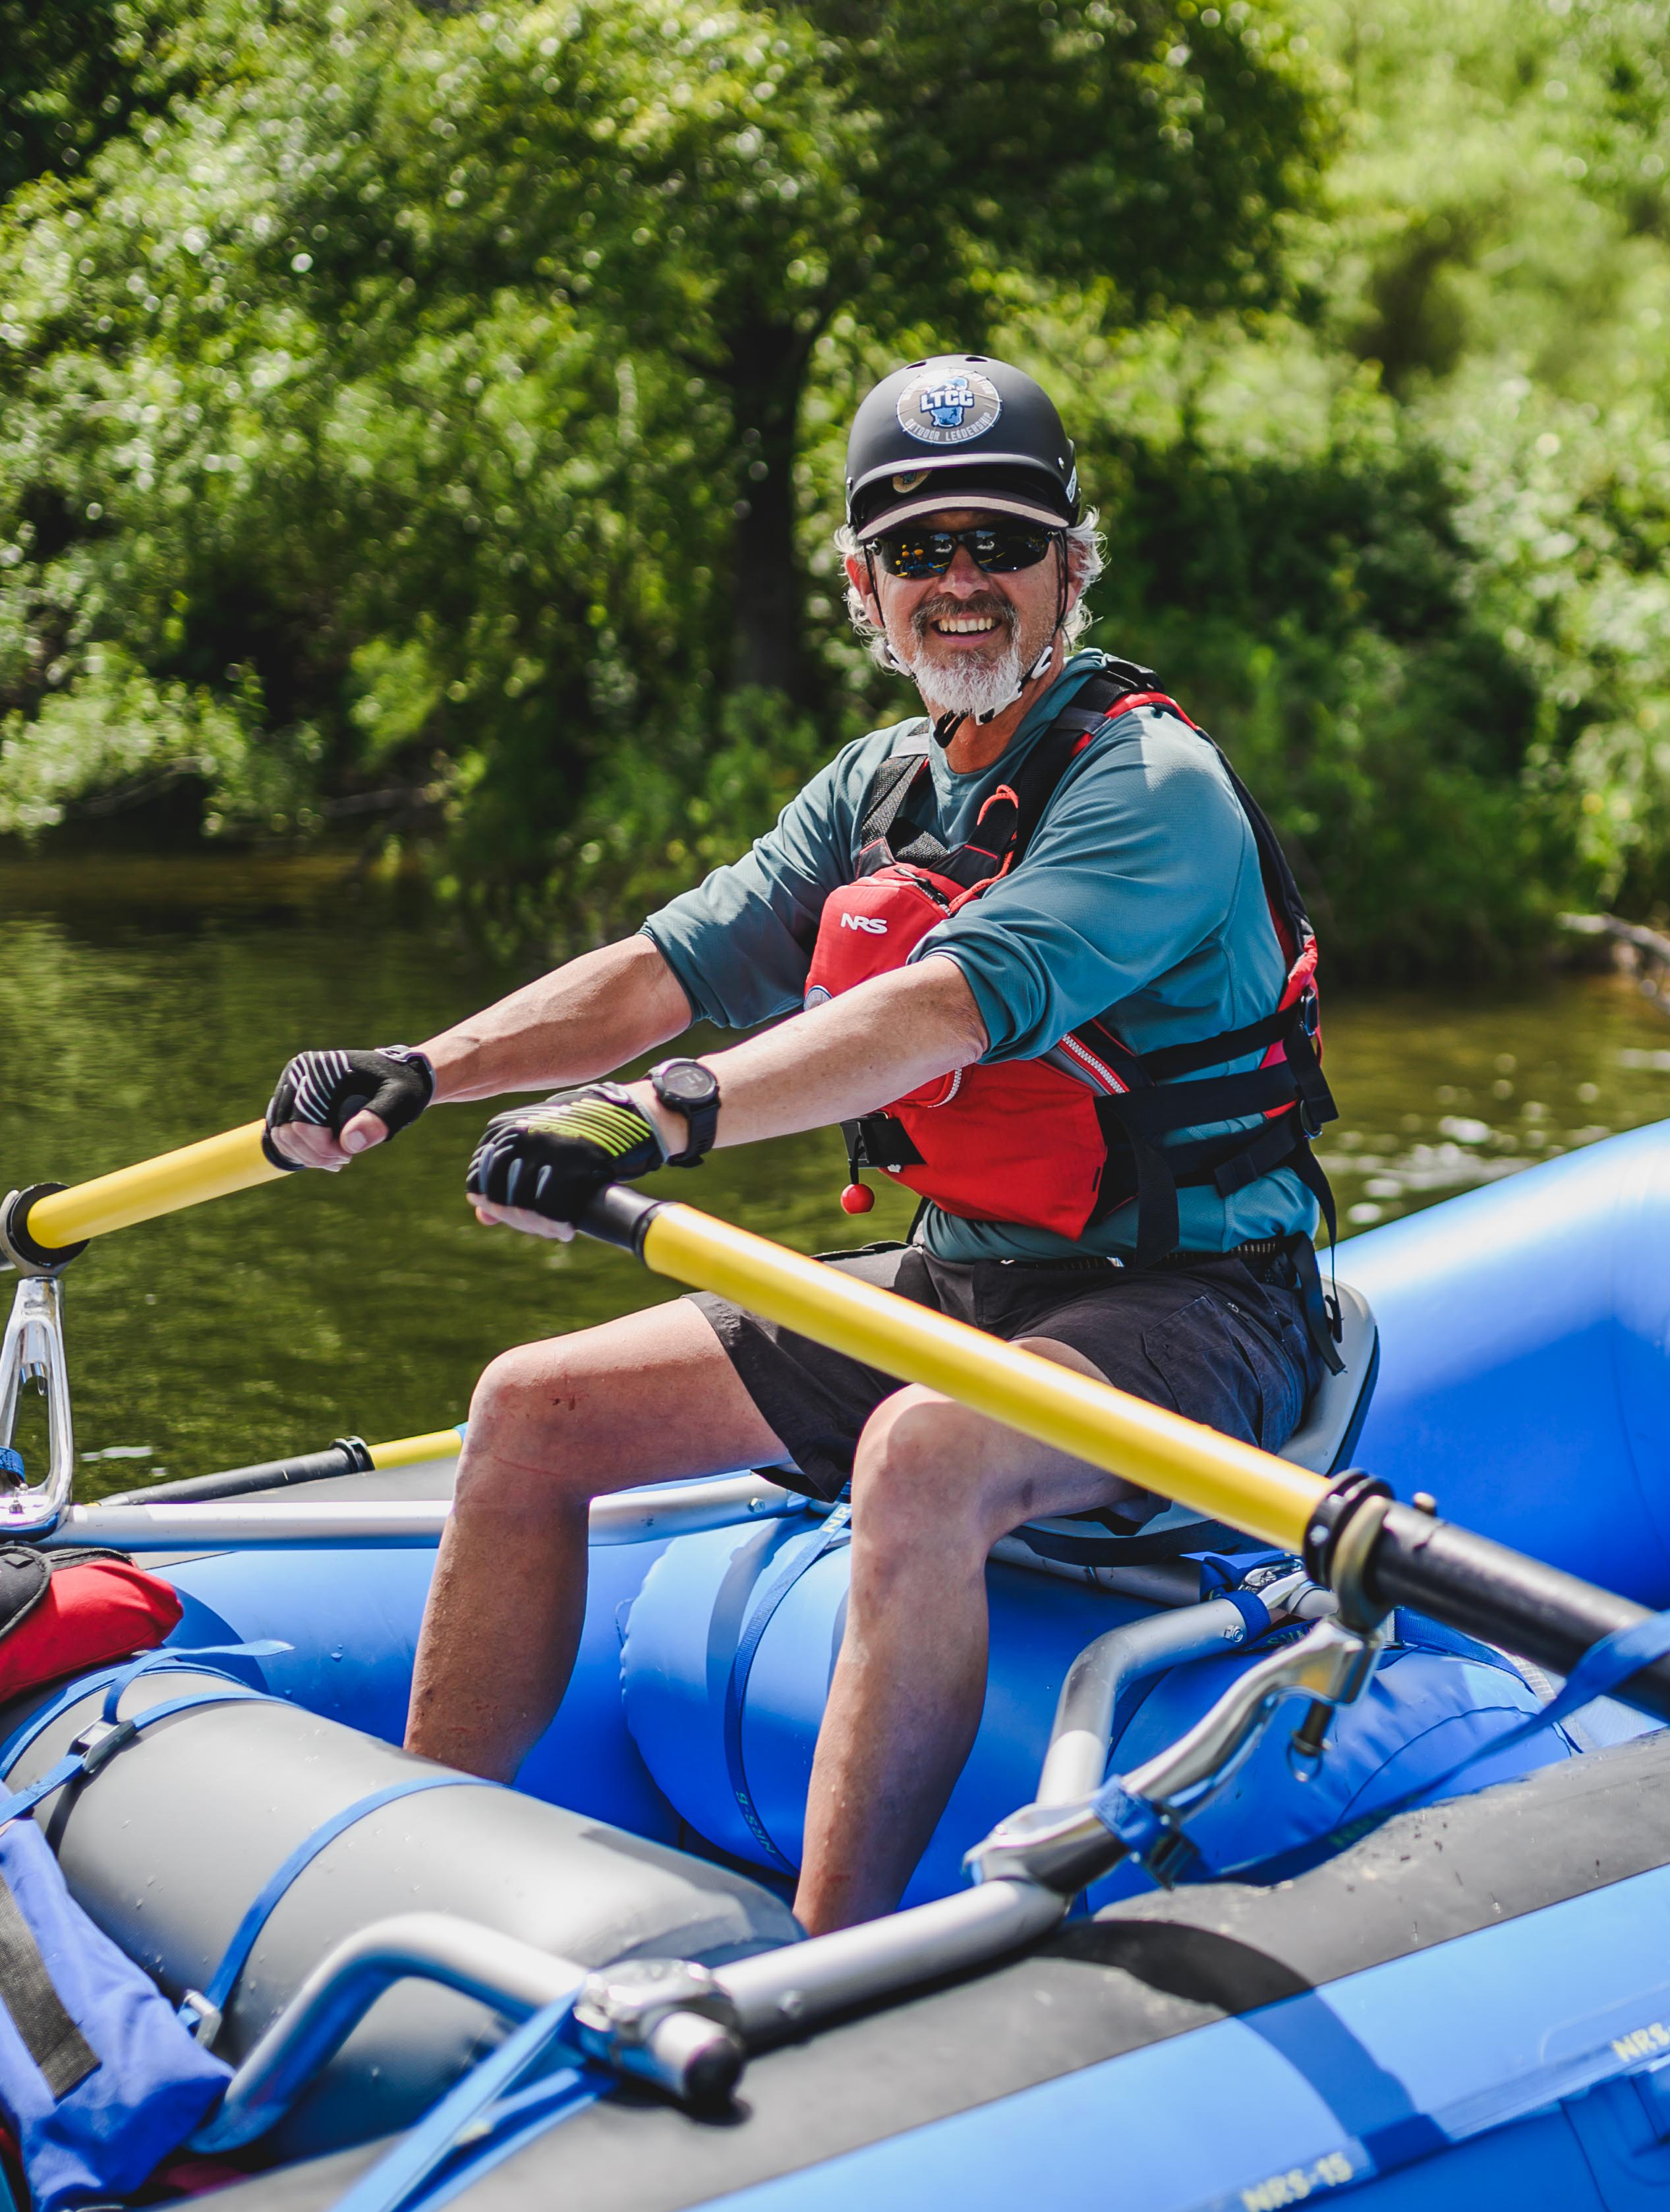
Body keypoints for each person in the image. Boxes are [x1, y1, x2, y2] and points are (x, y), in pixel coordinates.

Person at [263, 354, 1339, 1933]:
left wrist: (660, 1112)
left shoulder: (1150, 785)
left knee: (922, 1447)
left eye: (999, 541)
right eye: (918, 549)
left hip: (1200, 1297)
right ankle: (407, 1883)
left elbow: (949, 1008)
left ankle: (831, 1972)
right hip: (975, 1276)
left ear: (1069, 568)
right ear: (862, 586)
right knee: (529, 1405)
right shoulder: (880, 785)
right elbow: (663, 968)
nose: (960, 581)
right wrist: (430, 1067)